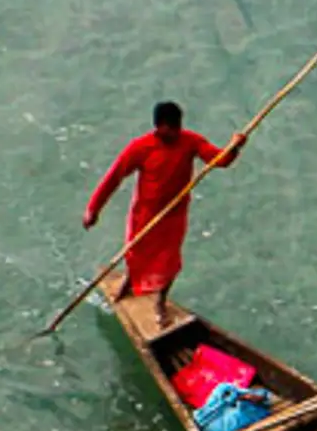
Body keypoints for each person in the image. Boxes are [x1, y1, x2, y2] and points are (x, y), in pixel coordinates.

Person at [82, 99, 234, 307]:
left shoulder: (191, 141)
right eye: (171, 128)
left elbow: (220, 160)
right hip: (145, 213)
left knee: (170, 262)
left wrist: (234, 147)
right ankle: (129, 282)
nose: (176, 132)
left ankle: (160, 301)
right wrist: (93, 209)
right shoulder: (140, 148)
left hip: (173, 215)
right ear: (159, 127)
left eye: (178, 126)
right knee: (135, 254)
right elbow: (114, 178)